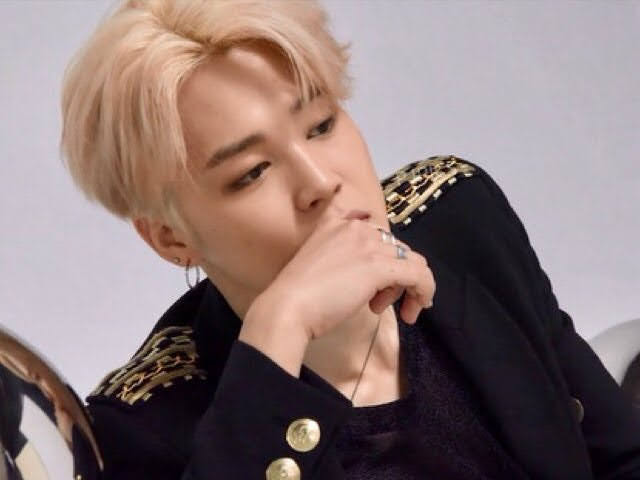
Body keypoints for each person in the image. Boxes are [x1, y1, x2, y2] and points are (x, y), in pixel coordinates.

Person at [59, 0, 640, 478]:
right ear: (170, 237)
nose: (320, 182)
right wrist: (279, 331)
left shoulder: (460, 217)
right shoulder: (138, 427)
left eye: (321, 125)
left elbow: (621, 458)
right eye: (252, 173)